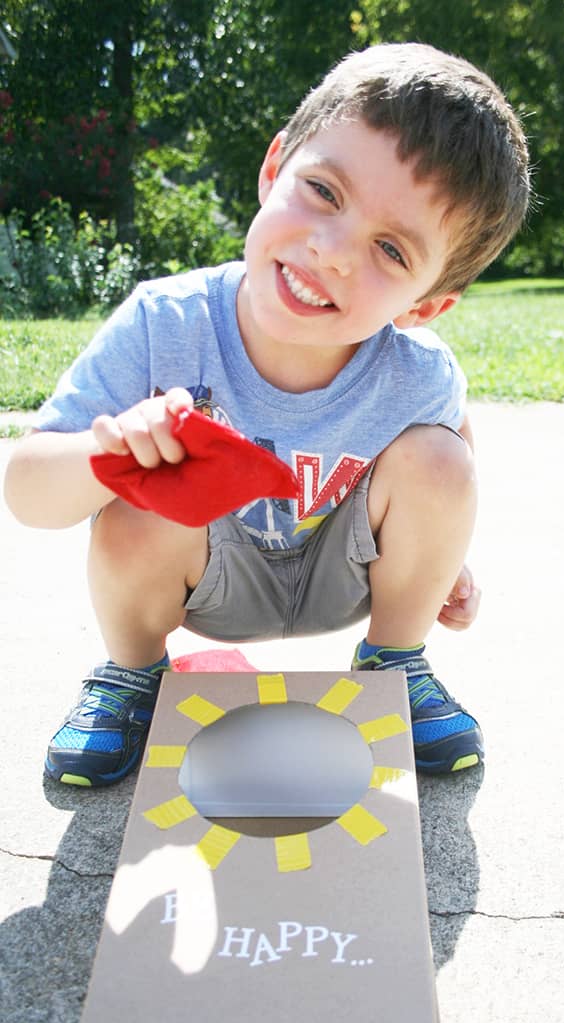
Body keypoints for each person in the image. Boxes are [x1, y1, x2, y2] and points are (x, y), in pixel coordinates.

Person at [4, 42, 530, 786]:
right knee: (134, 503)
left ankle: (395, 663)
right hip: (201, 580)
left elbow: (454, 458)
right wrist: (111, 453)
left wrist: (444, 560)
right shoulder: (167, 323)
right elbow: (26, 490)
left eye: (389, 248)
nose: (333, 250)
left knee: (441, 462)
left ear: (425, 305)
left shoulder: (416, 371)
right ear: (274, 166)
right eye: (323, 191)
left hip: (340, 579)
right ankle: (132, 674)